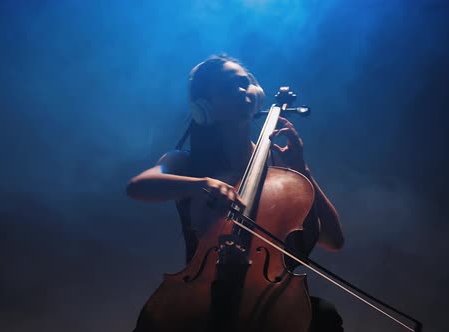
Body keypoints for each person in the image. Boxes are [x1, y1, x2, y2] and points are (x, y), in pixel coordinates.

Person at [127, 54, 345, 332]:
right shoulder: (187, 163)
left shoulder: (280, 166)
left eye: (244, 83)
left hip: (266, 294)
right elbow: (139, 186)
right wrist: (197, 184)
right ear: (204, 107)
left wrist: (303, 171)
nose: (241, 90)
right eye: (228, 87)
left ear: (257, 95)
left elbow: (333, 239)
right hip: (202, 295)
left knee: (324, 316)